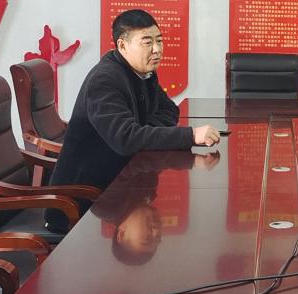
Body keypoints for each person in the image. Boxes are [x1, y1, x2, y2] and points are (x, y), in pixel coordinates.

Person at [51, 10, 220, 194]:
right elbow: (125, 139)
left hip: (123, 178)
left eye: (159, 41)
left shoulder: (143, 71)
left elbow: (170, 110)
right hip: (86, 194)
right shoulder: (104, 80)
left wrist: (142, 133)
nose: (157, 49)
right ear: (122, 46)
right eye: (147, 43)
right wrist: (191, 136)